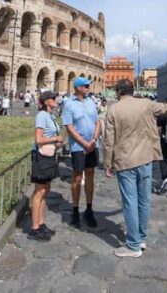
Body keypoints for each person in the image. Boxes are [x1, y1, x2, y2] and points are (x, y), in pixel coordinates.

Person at [104, 79, 167, 258]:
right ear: (132, 90)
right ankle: (142, 237)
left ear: (119, 92)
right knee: (144, 200)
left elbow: (109, 141)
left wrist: (108, 164)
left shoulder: (114, 109)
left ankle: (133, 245)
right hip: (145, 158)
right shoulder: (146, 104)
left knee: (130, 202)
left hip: (125, 161)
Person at [62, 77, 100, 229]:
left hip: (92, 145)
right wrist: (84, 143)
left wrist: (95, 139)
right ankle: (75, 210)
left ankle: (89, 209)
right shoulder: (69, 104)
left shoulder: (91, 102)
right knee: (77, 177)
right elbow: (69, 128)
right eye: (86, 86)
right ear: (78, 88)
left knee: (90, 174)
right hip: (78, 147)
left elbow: (97, 122)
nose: (88, 88)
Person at [29, 90, 63, 241]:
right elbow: (38, 139)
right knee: (39, 192)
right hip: (41, 157)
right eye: (54, 98)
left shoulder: (50, 116)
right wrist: (56, 138)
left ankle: (41, 223)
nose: (56, 100)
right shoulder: (42, 116)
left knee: (45, 190)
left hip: (49, 155)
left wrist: (57, 142)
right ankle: (35, 228)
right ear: (46, 101)